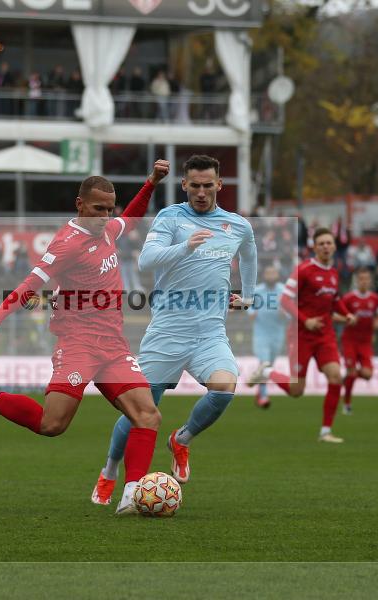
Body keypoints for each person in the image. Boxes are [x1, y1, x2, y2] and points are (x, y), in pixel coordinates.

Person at [0, 160, 170, 516]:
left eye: (109, 209)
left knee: (148, 416)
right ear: (80, 205)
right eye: (97, 209)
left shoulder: (105, 230)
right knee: (52, 425)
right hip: (77, 343)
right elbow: (31, 284)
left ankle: (131, 498)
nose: (105, 216)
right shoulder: (66, 244)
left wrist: (150, 182)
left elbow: (131, 217)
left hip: (112, 346)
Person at [90, 154, 257, 502]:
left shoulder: (237, 225)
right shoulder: (170, 218)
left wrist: (249, 295)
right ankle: (109, 470)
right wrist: (185, 246)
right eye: (194, 185)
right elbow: (146, 260)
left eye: (207, 185)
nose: (200, 192)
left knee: (225, 387)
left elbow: (251, 252)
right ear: (184, 185)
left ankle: (181, 440)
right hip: (166, 331)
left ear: (219, 185)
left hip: (210, 333)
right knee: (139, 410)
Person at [251, 228, 357, 443]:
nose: (326, 246)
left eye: (329, 243)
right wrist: (305, 320)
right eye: (322, 244)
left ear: (335, 246)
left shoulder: (334, 273)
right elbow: (285, 300)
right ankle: (268, 371)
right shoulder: (304, 270)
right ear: (314, 247)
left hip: (325, 334)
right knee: (297, 390)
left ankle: (326, 431)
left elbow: (335, 299)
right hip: (301, 335)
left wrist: (347, 314)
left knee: (336, 376)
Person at [339, 267, 378, 414]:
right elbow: (336, 316)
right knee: (352, 373)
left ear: (370, 281)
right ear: (356, 281)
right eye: (361, 279)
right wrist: (348, 319)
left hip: (366, 341)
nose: (364, 282)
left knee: (368, 374)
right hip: (349, 340)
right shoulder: (348, 298)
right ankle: (347, 404)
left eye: (367, 279)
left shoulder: (375, 298)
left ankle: (347, 378)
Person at [247, 265, 287, 409]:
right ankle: (263, 395)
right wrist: (251, 312)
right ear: (264, 275)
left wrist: (286, 314)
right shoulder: (257, 290)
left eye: (273, 273)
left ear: (277, 275)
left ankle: (259, 390)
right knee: (265, 363)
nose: (271, 275)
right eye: (268, 273)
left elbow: (291, 309)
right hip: (261, 333)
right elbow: (248, 304)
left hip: (277, 333)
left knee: (269, 364)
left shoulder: (283, 291)